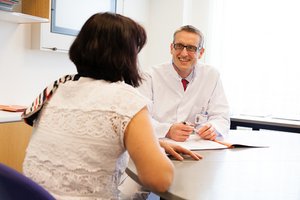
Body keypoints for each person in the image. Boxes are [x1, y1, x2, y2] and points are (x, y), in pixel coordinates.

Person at [21, 13, 202, 200]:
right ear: (127, 55)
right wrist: (153, 150)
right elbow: (160, 180)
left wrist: (151, 143)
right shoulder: (125, 99)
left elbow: (84, 140)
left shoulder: (57, 89)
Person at [138, 25, 230, 142]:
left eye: (191, 48)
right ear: (171, 48)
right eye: (179, 46)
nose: (184, 53)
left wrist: (213, 128)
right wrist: (167, 130)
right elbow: (140, 119)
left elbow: (221, 116)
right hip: (160, 145)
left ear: (201, 52)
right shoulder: (149, 76)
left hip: (198, 146)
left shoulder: (211, 75)